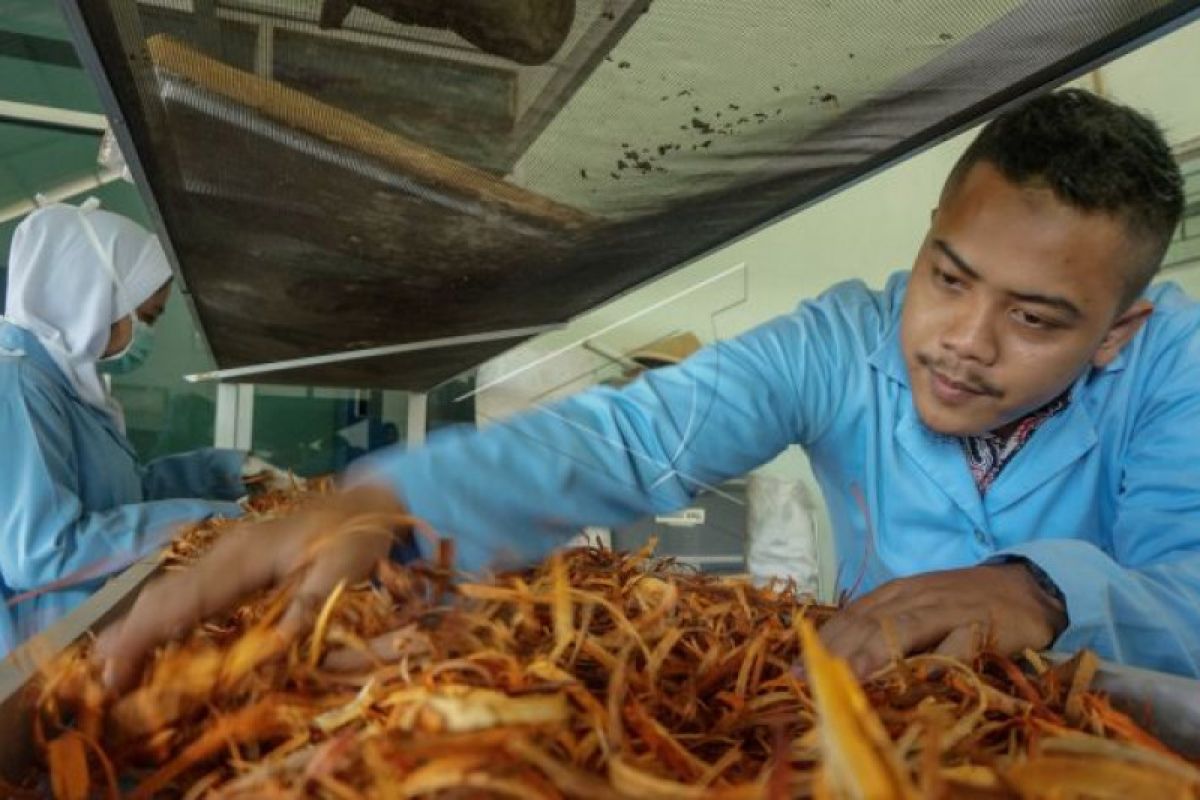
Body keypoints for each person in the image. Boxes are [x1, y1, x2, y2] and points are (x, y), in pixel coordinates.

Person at [97, 88, 1199, 690]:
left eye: (1035, 316)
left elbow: (1190, 589)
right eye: (948, 277)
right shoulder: (843, 340)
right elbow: (622, 441)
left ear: (1118, 329)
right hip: (869, 719)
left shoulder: (1174, 368)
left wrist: (1044, 591)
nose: (963, 340)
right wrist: (380, 503)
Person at [0, 201, 273, 655]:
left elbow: (123, 496)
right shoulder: (19, 385)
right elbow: (42, 553)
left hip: (85, 638)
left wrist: (227, 471)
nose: (146, 334)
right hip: (37, 654)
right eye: (145, 317)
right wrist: (212, 518)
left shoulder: (71, 387)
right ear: (88, 296)